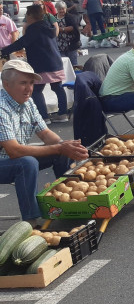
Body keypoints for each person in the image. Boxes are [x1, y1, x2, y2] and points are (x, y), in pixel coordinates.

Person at [0, 60, 89, 223]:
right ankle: (31, 221)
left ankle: (71, 202)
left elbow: (46, 134)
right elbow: (14, 151)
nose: (29, 89)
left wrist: (67, 146)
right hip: (7, 160)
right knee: (26, 163)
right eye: (23, 83)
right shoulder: (1, 107)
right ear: (6, 84)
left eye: (31, 83)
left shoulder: (27, 101)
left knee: (62, 151)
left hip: (14, 157)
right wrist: (60, 147)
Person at [0, 4, 69, 123]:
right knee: (57, 87)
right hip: (55, 62)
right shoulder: (49, 26)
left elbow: (21, 43)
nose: (26, 17)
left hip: (41, 64)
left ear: (31, 16)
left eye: (27, 15)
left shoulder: (34, 29)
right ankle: (63, 114)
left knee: (36, 91)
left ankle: (44, 117)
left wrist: (3, 51)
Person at [56, 1, 81, 67]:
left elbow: (74, 28)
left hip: (70, 44)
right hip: (59, 45)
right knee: (62, 64)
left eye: (63, 9)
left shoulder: (70, 17)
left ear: (66, 9)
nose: (61, 10)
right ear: (57, 9)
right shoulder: (54, 18)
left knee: (73, 63)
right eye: (59, 9)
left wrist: (62, 29)